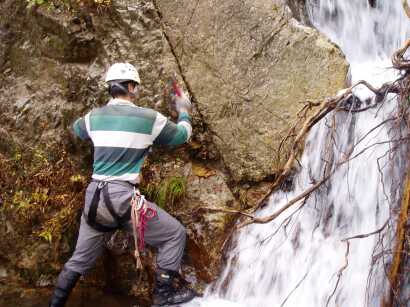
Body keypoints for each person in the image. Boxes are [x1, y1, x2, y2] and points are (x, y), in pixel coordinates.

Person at [49, 63, 196, 307]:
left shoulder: (92, 117)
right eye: (134, 86)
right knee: (174, 234)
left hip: (94, 198)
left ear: (110, 88)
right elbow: (182, 135)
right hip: (122, 199)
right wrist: (183, 110)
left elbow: (77, 130)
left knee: (78, 261)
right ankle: (163, 293)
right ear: (131, 87)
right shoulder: (150, 119)